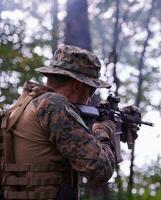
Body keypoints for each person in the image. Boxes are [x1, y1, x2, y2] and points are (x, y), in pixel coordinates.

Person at [0, 45, 128, 200]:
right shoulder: (53, 105)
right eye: (91, 90)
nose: (89, 99)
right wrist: (103, 131)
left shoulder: (21, 106)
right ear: (76, 85)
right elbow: (101, 169)